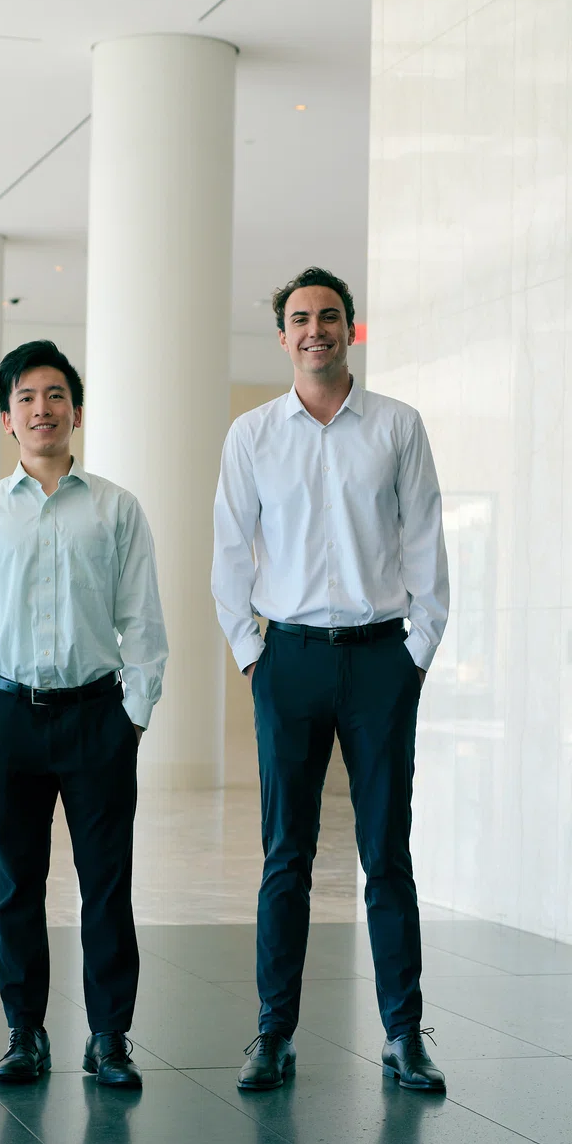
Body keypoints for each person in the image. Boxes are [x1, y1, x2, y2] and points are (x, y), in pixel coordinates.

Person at [212, 268, 449, 1092]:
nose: (315, 330)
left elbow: (425, 543)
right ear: (282, 336)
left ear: (353, 329)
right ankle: (273, 1034)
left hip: (381, 658)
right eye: (300, 319)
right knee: (288, 857)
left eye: (330, 317)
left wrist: (415, 654)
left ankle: (402, 1033)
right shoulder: (252, 436)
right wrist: (253, 653)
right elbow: (228, 552)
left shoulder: (396, 427)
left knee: (386, 853)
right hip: (291, 662)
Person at [0, 339, 167, 1089]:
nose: (42, 409)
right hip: (7, 720)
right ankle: (24, 1034)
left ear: (76, 410)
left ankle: (109, 1038)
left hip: (97, 718)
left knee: (106, 882)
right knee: (18, 886)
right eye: (27, 398)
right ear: (7, 418)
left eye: (55, 396)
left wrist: (132, 714)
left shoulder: (115, 509)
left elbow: (144, 621)